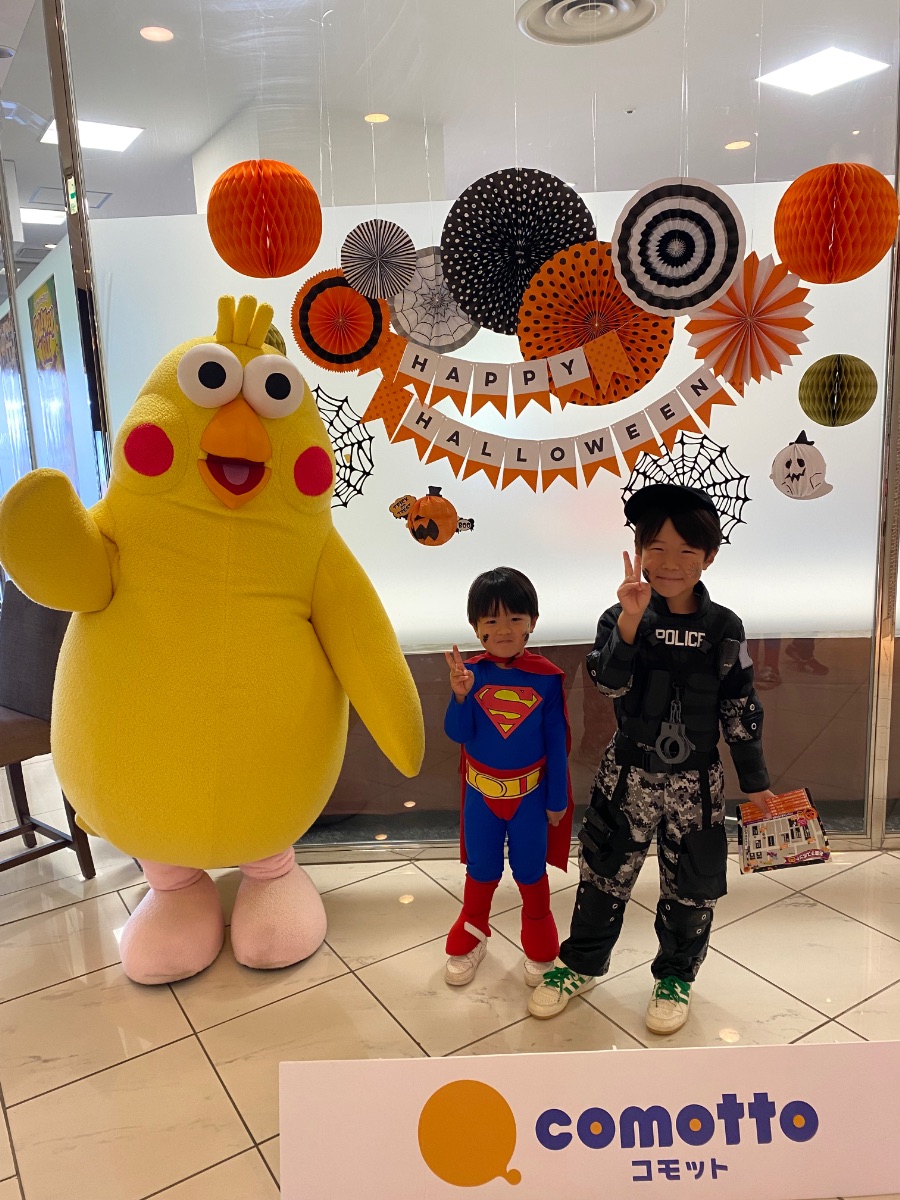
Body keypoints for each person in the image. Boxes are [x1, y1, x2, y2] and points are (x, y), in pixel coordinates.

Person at [528, 485, 775, 1034]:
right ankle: (581, 965)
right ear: (639, 551)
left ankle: (675, 977)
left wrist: (756, 781)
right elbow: (607, 684)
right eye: (656, 547)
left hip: (698, 781)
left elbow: (739, 705)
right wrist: (630, 622)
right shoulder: (620, 616)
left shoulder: (725, 627)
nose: (669, 562)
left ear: (709, 557)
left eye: (687, 550)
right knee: (603, 873)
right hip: (628, 773)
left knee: (692, 884)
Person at [443, 567, 574, 988]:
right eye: (491, 620)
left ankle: (538, 940)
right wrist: (460, 695)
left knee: (530, 871)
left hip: (530, 797)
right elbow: (458, 734)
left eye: (515, 618)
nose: (503, 630)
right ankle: (474, 931)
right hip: (481, 796)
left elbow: (557, 741)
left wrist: (557, 799)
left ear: (532, 622)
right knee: (481, 869)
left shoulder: (546, 677)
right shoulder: (470, 674)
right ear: (476, 626)